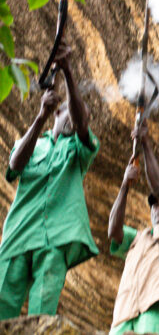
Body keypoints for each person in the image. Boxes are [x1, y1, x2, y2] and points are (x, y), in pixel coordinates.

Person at [0, 43, 99, 318]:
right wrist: (40, 115)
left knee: (42, 310)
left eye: (82, 116)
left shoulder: (80, 148)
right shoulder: (32, 143)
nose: (78, 119)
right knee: (2, 299)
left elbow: (82, 125)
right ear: (57, 113)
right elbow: (15, 164)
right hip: (18, 234)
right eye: (71, 113)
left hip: (56, 238)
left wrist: (67, 70)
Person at [108, 122, 159, 335]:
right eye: (152, 205)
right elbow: (113, 231)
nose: (156, 208)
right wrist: (124, 186)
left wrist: (145, 144)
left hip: (154, 309)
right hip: (124, 311)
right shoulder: (138, 238)